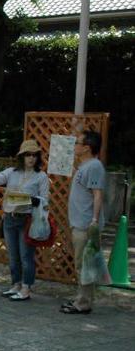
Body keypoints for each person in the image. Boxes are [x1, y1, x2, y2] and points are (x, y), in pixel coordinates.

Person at [0, 140, 50, 301]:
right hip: (9, 217)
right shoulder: (12, 172)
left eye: (35, 155)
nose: (31, 158)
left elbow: (45, 200)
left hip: (27, 219)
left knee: (26, 256)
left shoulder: (41, 176)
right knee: (13, 255)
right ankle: (16, 284)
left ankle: (26, 288)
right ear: (21, 157)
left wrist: (28, 199)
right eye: (28, 155)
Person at [62, 130, 105, 315]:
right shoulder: (84, 166)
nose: (75, 146)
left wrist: (94, 220)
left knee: (84, 265)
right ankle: (82, 298)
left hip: (85, 224)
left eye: (77, 143)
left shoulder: (95, 166)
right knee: (80, 263)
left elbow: (97, 194)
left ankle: (83, 303)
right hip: (78, 222)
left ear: (87, 147)